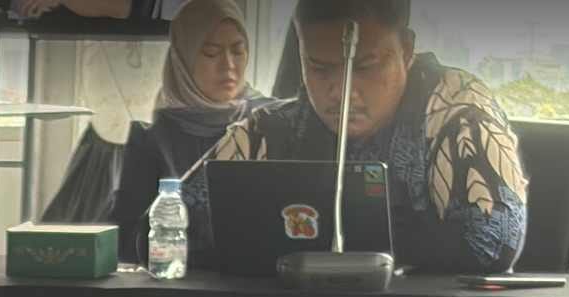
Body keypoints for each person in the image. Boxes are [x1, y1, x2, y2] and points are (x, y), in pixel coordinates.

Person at [187, 0, 527, 273]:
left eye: (363, 67)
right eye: (318, 67)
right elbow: (166, 229)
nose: (341, 92)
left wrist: (296, 241)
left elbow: (492, 242)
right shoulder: (273, 127)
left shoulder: (459, 116)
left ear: (406, 51)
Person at [108, 0, 270, 263]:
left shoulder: (268, 121)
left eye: (238, 51)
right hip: (180, 277)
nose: (229, 65)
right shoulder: (150, 139)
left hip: (261, 274)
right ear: (183, 58)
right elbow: (125, 241)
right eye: (211, 53)